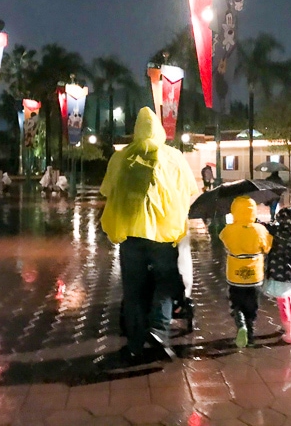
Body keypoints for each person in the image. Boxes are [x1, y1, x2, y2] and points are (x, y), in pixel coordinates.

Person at [100, 107, 198, 364]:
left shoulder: (121, 158)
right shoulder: (174, 157)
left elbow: (107, 191)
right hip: (164, 236)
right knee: (165, 284)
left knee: (133, 292)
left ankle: (134, 345)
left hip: (131, 237)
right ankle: (158, 329)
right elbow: (189, 191)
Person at [219, 196, 272, 348]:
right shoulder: (260, 229)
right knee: (252, 305)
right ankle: (250, 334)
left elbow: (223, 241)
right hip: (255, 276)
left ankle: (240, 323)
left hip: (235, 275)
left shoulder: (229, 230)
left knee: (236, 303)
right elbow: (267, 247)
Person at [262, 207, 291, 344]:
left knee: (283, 304)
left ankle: (289, 334)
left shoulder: (278, 233)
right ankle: (290, 326)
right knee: (288, 299)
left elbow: (266, 227)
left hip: (279, 274)